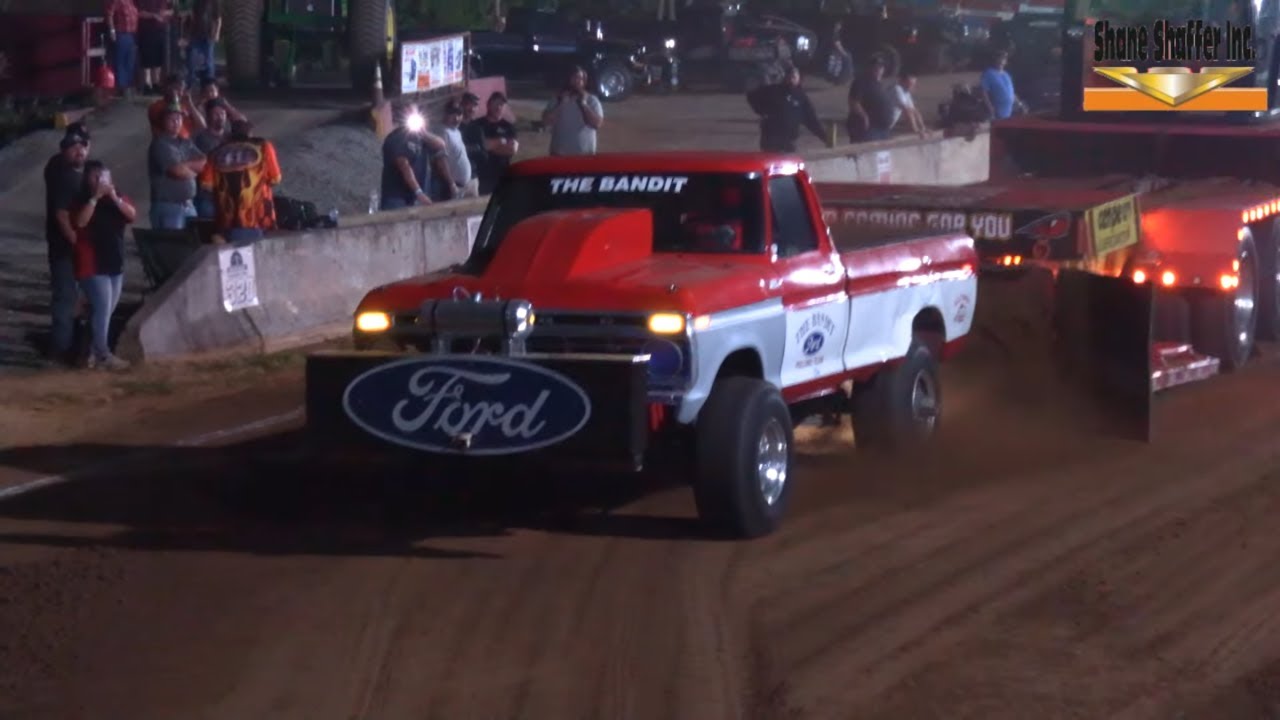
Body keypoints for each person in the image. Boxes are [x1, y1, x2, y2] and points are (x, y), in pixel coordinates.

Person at [71, 161, 136, 370]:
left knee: (105, 311)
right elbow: (80, 222)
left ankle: (90, 352)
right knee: (102, 307)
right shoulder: (82, 200)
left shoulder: (116, 197)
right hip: (92, 264)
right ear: (87, 179)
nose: (101, 181)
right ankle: (103, 355)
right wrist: (95, 198)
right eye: (95, 177)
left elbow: (131, 215)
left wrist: (114, 197)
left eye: (104, 177)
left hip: (114, 263)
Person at [43, 125, 91, 365]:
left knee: (74, 298)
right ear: (64, 150)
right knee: (65, 297)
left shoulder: (63, 168)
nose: (79, 151)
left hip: (68, 245)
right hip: (65, 247)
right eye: (73, 147)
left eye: (83, 146)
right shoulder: (63, 174)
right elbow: (61, 215)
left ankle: (67, 345)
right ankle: (60, 350)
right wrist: (75, 241)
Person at [198, 119, 283, 244]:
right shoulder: (263, 147)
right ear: (250, 133)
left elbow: (206, 184)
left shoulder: (216, 152)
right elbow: (276, 178)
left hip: (226, 219)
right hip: (256, 217)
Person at [379, 103, 448, 210]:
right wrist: (419, 193)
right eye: (407, 113)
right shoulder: (395, 137)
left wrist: (424, 133)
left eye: (413, 112)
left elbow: (441, 145)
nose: (411, 116)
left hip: (413, 198)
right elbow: (403, 165)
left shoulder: (421, 138)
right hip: (396, 198)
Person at [746, 64, 829, 153]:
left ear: (799, 78)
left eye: (794, 77)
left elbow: (812, 120)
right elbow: (752, 97)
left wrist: (825, 138)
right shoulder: (772, 90)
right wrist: (761, 110)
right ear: (785, 77)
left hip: (789, 142)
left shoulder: (801, 97)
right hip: (770, 141)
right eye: (789, 76)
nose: (791, 79)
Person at [149, 101, 206, 228]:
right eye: (171, 119)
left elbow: (205, 163)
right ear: (163, 121)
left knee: (194, 245)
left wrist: (186, 166)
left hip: (189, 205)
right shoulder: (160, 144)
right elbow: (177, 171)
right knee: (172, 245)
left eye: (179, 118)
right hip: (169, 206)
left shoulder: (185, 142)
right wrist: (193, 171)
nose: (176, 122)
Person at [542, 65, 604, 157]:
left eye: (580, 78)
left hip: (585, 156)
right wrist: (561, 104)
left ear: (584, 82)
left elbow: (597, 124)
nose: (577, 81)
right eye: (574, 77)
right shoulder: (557, 99)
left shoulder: (592, 100)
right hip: (559, 155)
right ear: (567, 80)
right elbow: (546, 121)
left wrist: (584, 105)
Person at [469, 91, 518, 195]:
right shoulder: (478, 125)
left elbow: (512, 150)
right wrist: (502, 141)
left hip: (502, 174)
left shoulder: (508, 126)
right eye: (496, 103)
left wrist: (490, 145)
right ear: (488, 105)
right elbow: (482, 146)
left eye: (501, 104)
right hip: (482, 174)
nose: (498, 107)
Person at [192, 97, 230, 217]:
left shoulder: (230, 137)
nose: (220, 117)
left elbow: (245, 125)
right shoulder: (201, 139)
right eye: (216, 113)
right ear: (207, 116)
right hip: (207, 197)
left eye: (222, 113)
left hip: (227, 196)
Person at [436, 99, 479, 199]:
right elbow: (441, 160)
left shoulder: (456, 131)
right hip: (455, 188)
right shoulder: (442, 132)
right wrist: (452, 184)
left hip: (468, 183)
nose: (456, 118)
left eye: (459, 114)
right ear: (445, 114)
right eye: (452, 114)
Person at [847, 55, 894, 143]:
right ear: (869, 67)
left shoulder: (879, 84)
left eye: (881, 66)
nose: (879, 69)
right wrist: (864, 116)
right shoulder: (861, 81)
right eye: (876, 66)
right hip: (869, 129)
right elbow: (853, 102)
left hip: (883, 129)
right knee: (864, 153)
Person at [135, 0, 173, 94]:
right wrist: (153, 15)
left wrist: (164, 13)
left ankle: (156, 83)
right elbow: (138, 12)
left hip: (160, 30)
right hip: (146, 30)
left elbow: (172, 10)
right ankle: (147, 85)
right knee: (146, 59)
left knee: (158, 60)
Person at [105, 0, 139, 98]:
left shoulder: (131, 2)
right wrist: (112, 30)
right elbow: (109, 14)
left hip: (131, 34)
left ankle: (127, 86)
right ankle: (121, 87)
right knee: (121, 61)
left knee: (130, 61)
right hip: (121, 33)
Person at [980, 48, 1026, 120]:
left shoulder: (1007, 75)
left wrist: (1019, 104)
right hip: (997, 113)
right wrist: (990, 108)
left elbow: (1011, 92)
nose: (1001, 60)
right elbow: (984, 93)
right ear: (995, 59)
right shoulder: (988, 73)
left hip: (1010, 113)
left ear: (1005, 61)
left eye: (1003, 58)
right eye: (999, 58)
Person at [185, 0, 220, 88]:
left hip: (209, 35)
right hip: (196, 35)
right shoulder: (197, 2)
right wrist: (188, 36)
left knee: (208, 62)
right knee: (192, 61)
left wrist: (217, 33)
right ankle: (191, 84)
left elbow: (218, 19)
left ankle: (209, 84)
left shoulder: (214, 2)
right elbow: (192, 18)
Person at [890, 71, 928, 137]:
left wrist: (923, 128)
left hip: (886, 126)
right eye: (910, 84)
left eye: (914, 84)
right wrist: (916, 131)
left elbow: (914, 111)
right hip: (877, 126)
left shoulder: (906, 92)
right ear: (902, 82)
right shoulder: (896, 89)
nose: (913, 86)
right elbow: (907, 111)